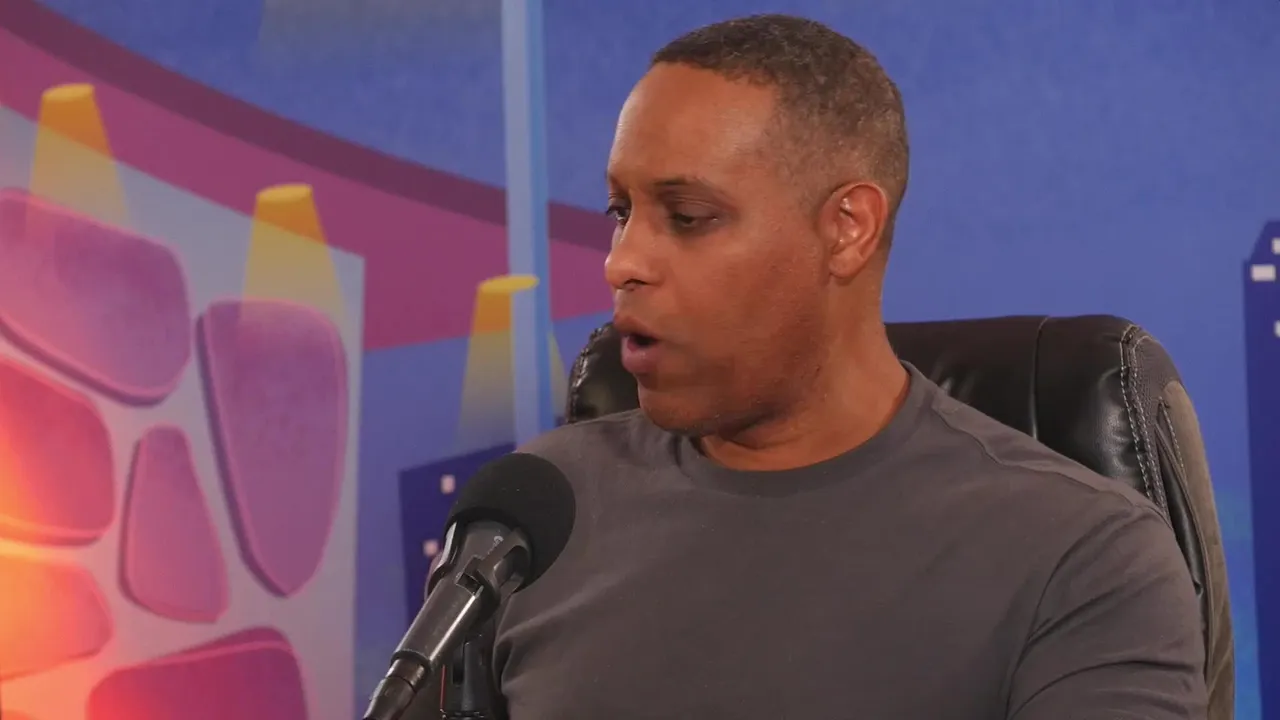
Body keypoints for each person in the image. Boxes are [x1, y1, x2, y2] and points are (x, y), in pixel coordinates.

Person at [491, 13, 1207, 719]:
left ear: (847, 229)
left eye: (687, 216)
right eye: (620, 212)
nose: (622, 262)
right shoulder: (533, 517)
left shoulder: (1082, 560)